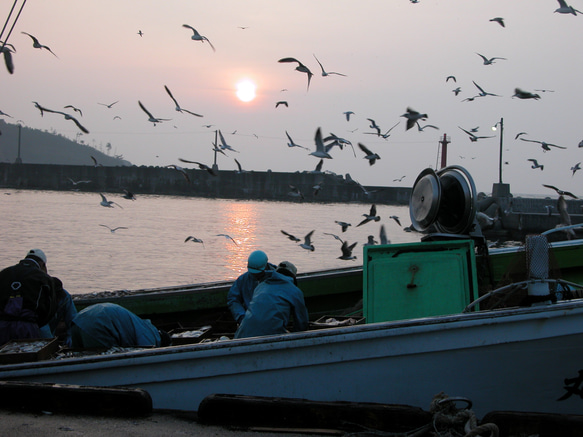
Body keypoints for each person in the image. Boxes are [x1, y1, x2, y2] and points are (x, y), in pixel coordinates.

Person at [0, 249, 62, 345]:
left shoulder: (4, 273)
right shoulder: (44, 278)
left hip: (2, 326)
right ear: (42, 264)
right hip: (27, 327)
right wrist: (36, 323)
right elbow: (50, 309)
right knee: (27, 355)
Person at [235, 261, 309, 339]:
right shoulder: (295, 291)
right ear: (293, 277)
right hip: (270, 337)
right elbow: (301, 323)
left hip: (242, 335)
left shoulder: (261, 286)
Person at [71, 302, 171, 349]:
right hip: (98, 324)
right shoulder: (151, 338)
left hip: (79, 319)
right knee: (98, 360)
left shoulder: (143, 324)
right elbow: (143, 352)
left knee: (77, 355)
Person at [227, 250, 276, 324]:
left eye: (258, 273)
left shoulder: (278, 278)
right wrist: (242, 317)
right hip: (249, 320)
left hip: (273, 320)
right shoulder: (243, 280)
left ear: (265, 267)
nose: (255, 275)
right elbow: (233, 299)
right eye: (253, 273)